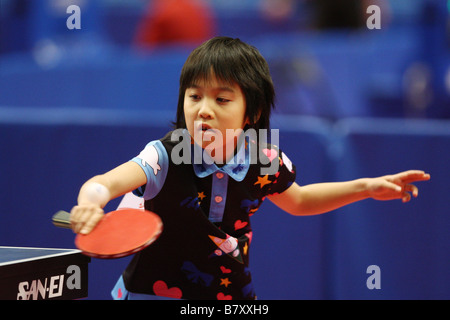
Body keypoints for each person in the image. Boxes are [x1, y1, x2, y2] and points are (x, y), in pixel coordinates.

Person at [70, 37, 430, 300]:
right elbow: (105, 183)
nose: (203, 109)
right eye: (194, 96)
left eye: (221, 98)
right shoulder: (164, 156)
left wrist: (366, 187)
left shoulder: (265, 160)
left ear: (252, 113)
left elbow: (300, 201)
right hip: (152, 293)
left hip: (230, 295)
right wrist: (91, 202)